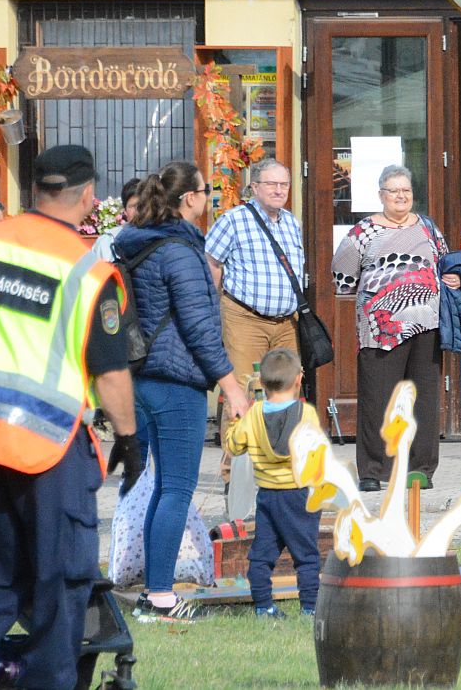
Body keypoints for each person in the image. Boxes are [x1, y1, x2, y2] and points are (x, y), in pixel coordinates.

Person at [0, 145, 142, 688]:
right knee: (62, 578)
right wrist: (129, 437)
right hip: (47, 447)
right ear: (89, 199)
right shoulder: (87, 272)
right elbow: (111, 371)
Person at [115, 159, 251, 623]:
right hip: (176, 382)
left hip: (142, 377)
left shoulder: (138, 242)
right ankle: (160, 597)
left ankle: (155, 593)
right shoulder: (179, 250)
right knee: (175, 489)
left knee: (162, 490)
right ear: (190, 198)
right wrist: (231, 386)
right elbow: (198, 327)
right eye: (205, 191)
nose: (209, 197)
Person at [332, 164, 456, 491]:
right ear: (381, 195)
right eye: (394, 191)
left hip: (427, 325)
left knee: (424, 399)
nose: (401, 196)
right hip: (380, 327)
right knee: (377, 398)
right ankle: (374, 471)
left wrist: (451, 278)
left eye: (406, 191)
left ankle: (420, 470)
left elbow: (444, 264)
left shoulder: (428, 228)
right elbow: (343, 278)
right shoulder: (363, 232)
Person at [222, 347, 322, 619]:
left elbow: (234, 447)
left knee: (262, 555)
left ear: (262, 383)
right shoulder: (307, 414)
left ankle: (264, 606)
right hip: (299, 496)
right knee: (307, 556)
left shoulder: (253, 415)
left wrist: (233, 422)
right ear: (299, 379)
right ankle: (311, 608)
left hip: (267, 497)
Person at [204, 159, 305, 392]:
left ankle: (280, 431)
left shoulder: (291, 223)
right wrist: (213, 307)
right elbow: (211, 263)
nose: (279, 190)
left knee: (287, 392)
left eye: (284, 184)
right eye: (271, 184)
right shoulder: (233, 219)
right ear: (255, 187)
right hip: (245, 321)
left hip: (287, 324)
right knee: (245, 393)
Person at [91, 177, 142, 263]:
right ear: (125, 211)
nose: (138, 212)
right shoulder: (106, 243)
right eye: (133, 206)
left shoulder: (162, 240)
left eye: (142, 205)